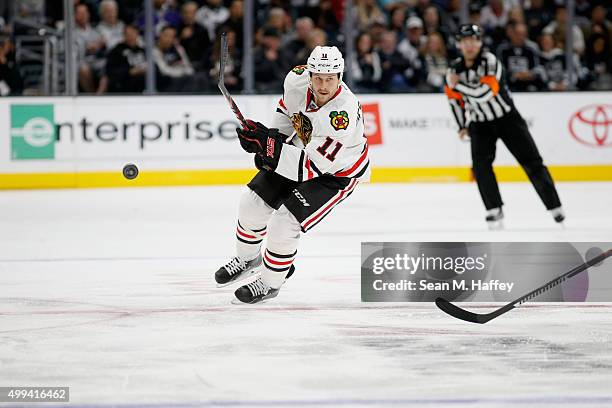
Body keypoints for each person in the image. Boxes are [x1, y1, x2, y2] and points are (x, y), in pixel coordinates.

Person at [214, 46, 370, 304]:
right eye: (317, 77)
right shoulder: (296, 79)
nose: (322, 85)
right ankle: (248, 258)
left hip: (336, 172)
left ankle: (270, 282)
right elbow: (287, 111)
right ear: (308, 73)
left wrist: (268, 148)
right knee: (251, 203)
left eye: (330, 79)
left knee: (284, 223)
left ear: (340, 77)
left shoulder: (340, 115)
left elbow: (309, 169)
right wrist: (270, 139)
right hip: (302, 152)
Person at [444, 24, 564, 228]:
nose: (470, 45)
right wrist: (461, 125)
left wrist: (460, 85)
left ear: (480, 42)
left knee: (532, 162)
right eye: (465, 41)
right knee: (481, 167)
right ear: (459, 45)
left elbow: (485, 93)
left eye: (473, 40)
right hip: (479, 123)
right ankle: (494, 209)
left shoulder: (490, 61)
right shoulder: (454, 70)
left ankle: (555, 207)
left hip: (507, 119)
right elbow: (455, 102)